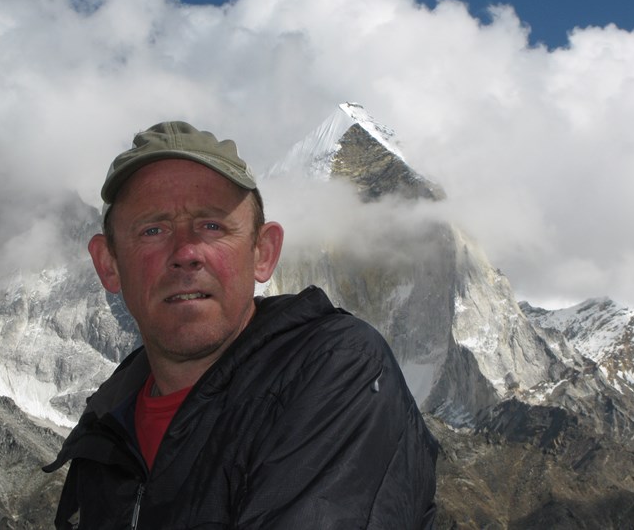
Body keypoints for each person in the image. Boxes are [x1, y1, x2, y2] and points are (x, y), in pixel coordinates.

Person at [44, 121, 438, 529]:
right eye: (153, 229)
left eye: (212, 226)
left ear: (263, 253)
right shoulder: (106, 431)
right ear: (108, 265)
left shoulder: (340, 367)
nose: (186, 252)